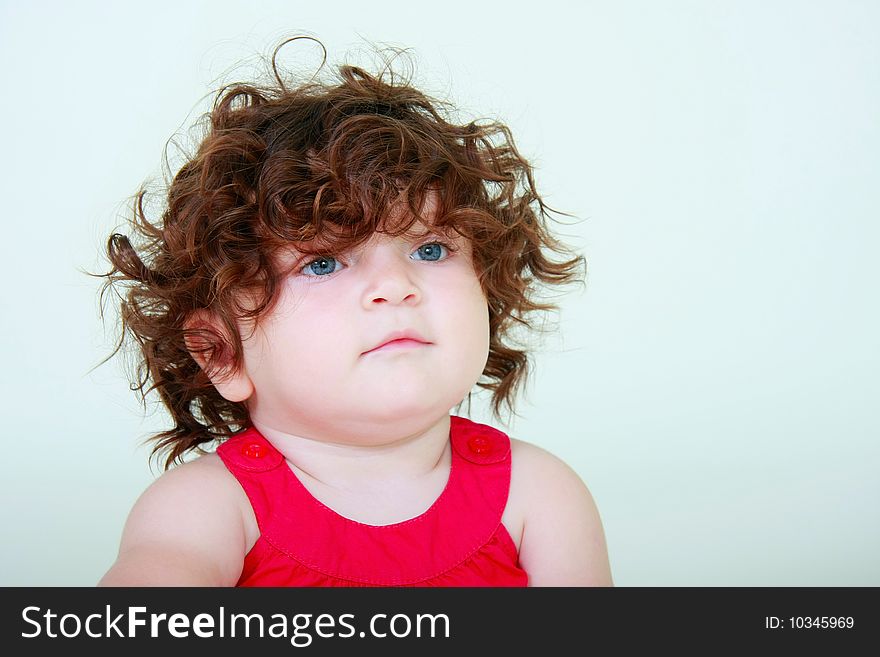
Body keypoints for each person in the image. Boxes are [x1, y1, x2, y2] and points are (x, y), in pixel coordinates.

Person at [96, 37, 612, 587]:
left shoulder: (539, 497)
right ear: (221, 353)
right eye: (322, 264)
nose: (395, 286)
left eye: (430, 250)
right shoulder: (205, 510)